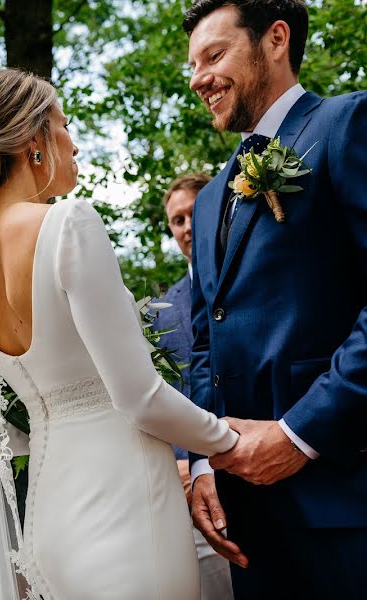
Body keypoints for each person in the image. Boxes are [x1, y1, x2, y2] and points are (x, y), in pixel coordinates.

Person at [0, 68, 238, 599]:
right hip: (128, 502)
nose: (73, 140)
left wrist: (33, 426)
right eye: (63, 124)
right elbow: (139, 397)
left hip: (50, 518)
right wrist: (229, 439)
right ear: (31, 140)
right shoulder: (68, 223)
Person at [184, 1, 367, 596]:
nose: (197, 78)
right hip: (247, 524)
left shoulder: (346, 125)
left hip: (343, 497)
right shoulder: (211, 198)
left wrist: (297, 434)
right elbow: (207, 334)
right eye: (193, 64)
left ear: (276, 39)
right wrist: (205, 459)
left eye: (214, 55)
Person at [152, 173, 234, 600]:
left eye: (193, 214)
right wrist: (183, 462)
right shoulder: (160, 314)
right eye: (177, 220)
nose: (187, 227)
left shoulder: (250, 278)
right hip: (194, 481)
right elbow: (162, 393)